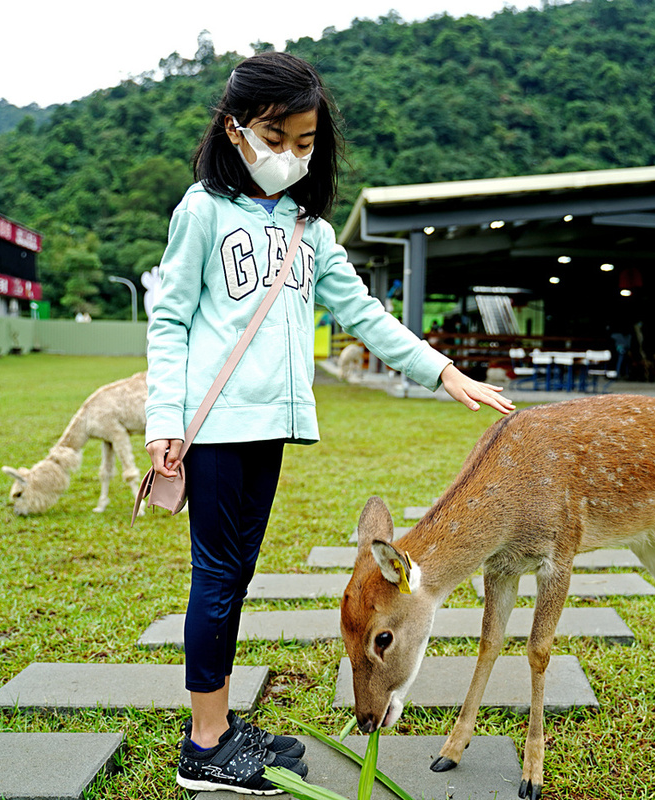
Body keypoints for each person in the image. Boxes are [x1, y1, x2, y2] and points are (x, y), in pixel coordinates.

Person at [144, 51, 514, 794]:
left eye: (305, 145)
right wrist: (164, 421)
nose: (290, 157)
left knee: (237, 575)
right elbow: (171, 318)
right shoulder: (203, 211)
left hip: (270, 426)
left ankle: (218, 725)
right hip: (214, 428)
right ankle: (205, 744)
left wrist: (439, 369)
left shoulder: (309, 229)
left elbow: (363, 313)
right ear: (236, 129)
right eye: (276, 139)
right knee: (217, 578)